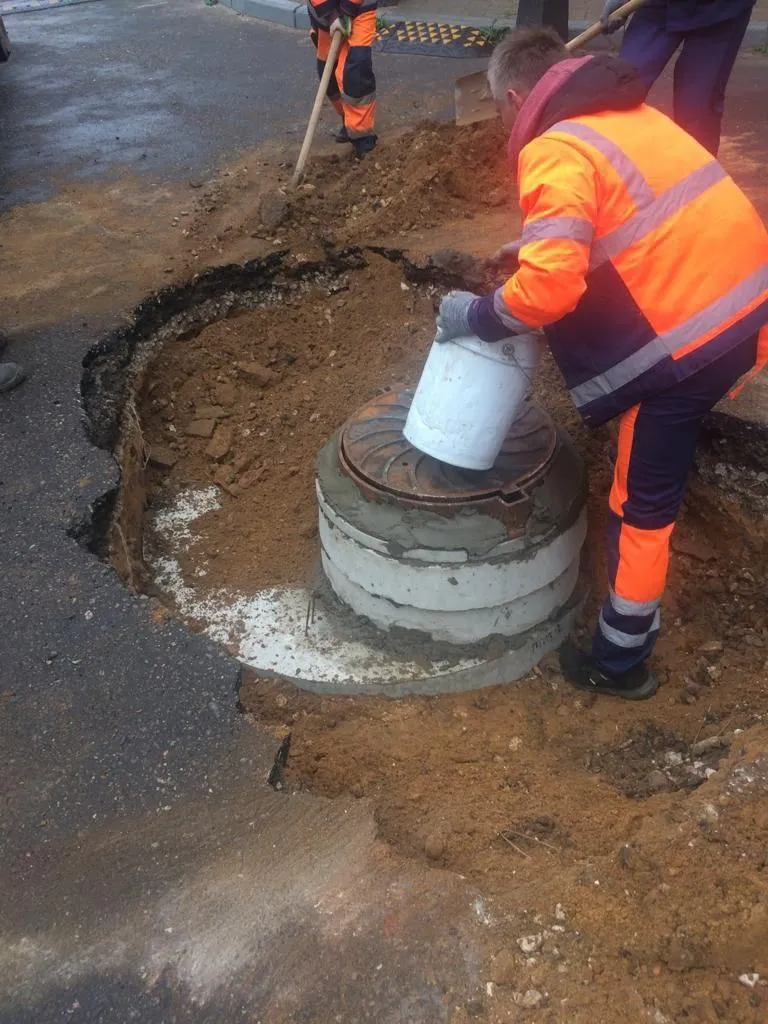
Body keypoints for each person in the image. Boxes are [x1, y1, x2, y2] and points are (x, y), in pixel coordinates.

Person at [434, 28, 768, 700]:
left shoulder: (554, 148)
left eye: (501, 110)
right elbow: (641, 220)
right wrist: (533, 247)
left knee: (641, 506)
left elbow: (548, 294)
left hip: (690, 349)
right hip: (748, 314)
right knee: (649, 471)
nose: (505, 124)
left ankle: (620, 660)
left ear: (519, 98)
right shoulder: (635, 117)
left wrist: (475, 316)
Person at [601, 0, 756, 155]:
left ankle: (696, 168)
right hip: (659, 6)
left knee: (698, 108)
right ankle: (603, 162)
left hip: (721, 10)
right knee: (620, 87)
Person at [307, 0, 377, 157]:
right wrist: (332, 15)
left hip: (361, 9)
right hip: (323, 14)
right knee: (329, 74)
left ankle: (361, 135)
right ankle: (347, 119)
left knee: (356, 70)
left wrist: (345, 12)